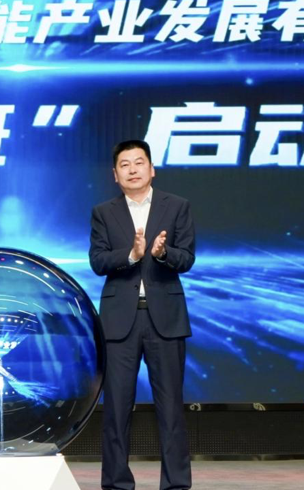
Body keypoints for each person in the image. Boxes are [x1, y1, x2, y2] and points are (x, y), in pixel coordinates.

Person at [89, 140, 195, 490]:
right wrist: (132, 255)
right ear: (115, 174)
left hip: (165, 319)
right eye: (125, 164)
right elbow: (98, 261)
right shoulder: (104, 212)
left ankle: (176, 484)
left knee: (171, 409)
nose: (132, 169)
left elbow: (187, 258)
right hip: (120, 321)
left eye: (139, 162)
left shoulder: (177, 206)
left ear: (152, 169)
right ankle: (117, 484)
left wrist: (162, 254)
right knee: (116, 410)